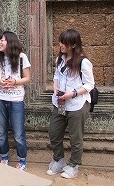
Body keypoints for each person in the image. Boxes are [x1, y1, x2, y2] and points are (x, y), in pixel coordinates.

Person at [46, 29, 94, 179]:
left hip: (77, 104)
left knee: (75, 137)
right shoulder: (60, 59)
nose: (61, 45)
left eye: (64, 43)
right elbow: (56, 75)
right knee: (54, 132)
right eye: (60, 41)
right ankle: (59, 160)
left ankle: (73, 165)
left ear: (73, 45)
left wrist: (72, 93)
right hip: (60, 103)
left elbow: (89, 84)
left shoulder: (83, 62)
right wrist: (55, 87)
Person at [0, 31, 31, 171]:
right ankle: (4, 157)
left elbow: (27, 78)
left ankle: (22, 160)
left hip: (16, 99)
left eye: (2, 40)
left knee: (18, 133)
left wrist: (14, 82)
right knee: (1, 132)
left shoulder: (21, 58)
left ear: (10, 42)